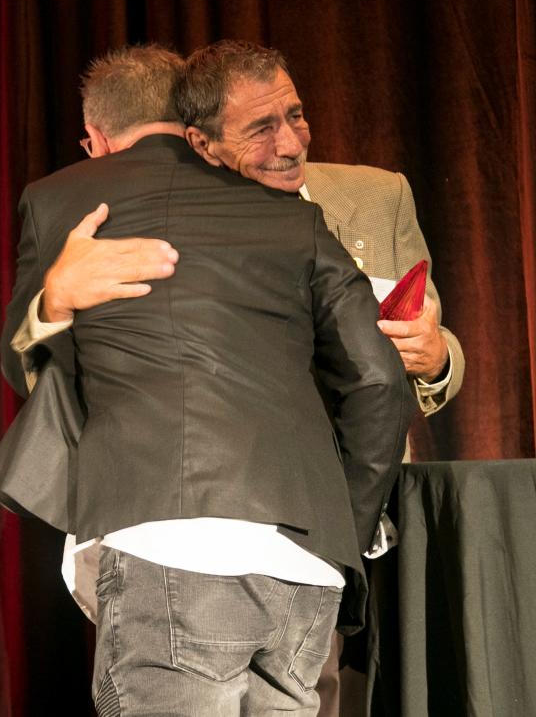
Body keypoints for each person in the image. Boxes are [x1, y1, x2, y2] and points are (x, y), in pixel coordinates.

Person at [0, 45, 416, 715]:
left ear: (96, 139)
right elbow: (379, 383)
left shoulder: (62, 200)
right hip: (305, 563)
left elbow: (25, 366)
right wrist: (345, 522)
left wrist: (52, 303)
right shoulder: (291, 215)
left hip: (165, 544)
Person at [176, 40, 464, 716]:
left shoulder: (376, 195)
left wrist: (436, 357)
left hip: (364, 510)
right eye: (262, 128)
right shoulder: (178, 221)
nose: (291, 141)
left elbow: (436, 339)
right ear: (203, 142)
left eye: (297, 115)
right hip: (235, 514)